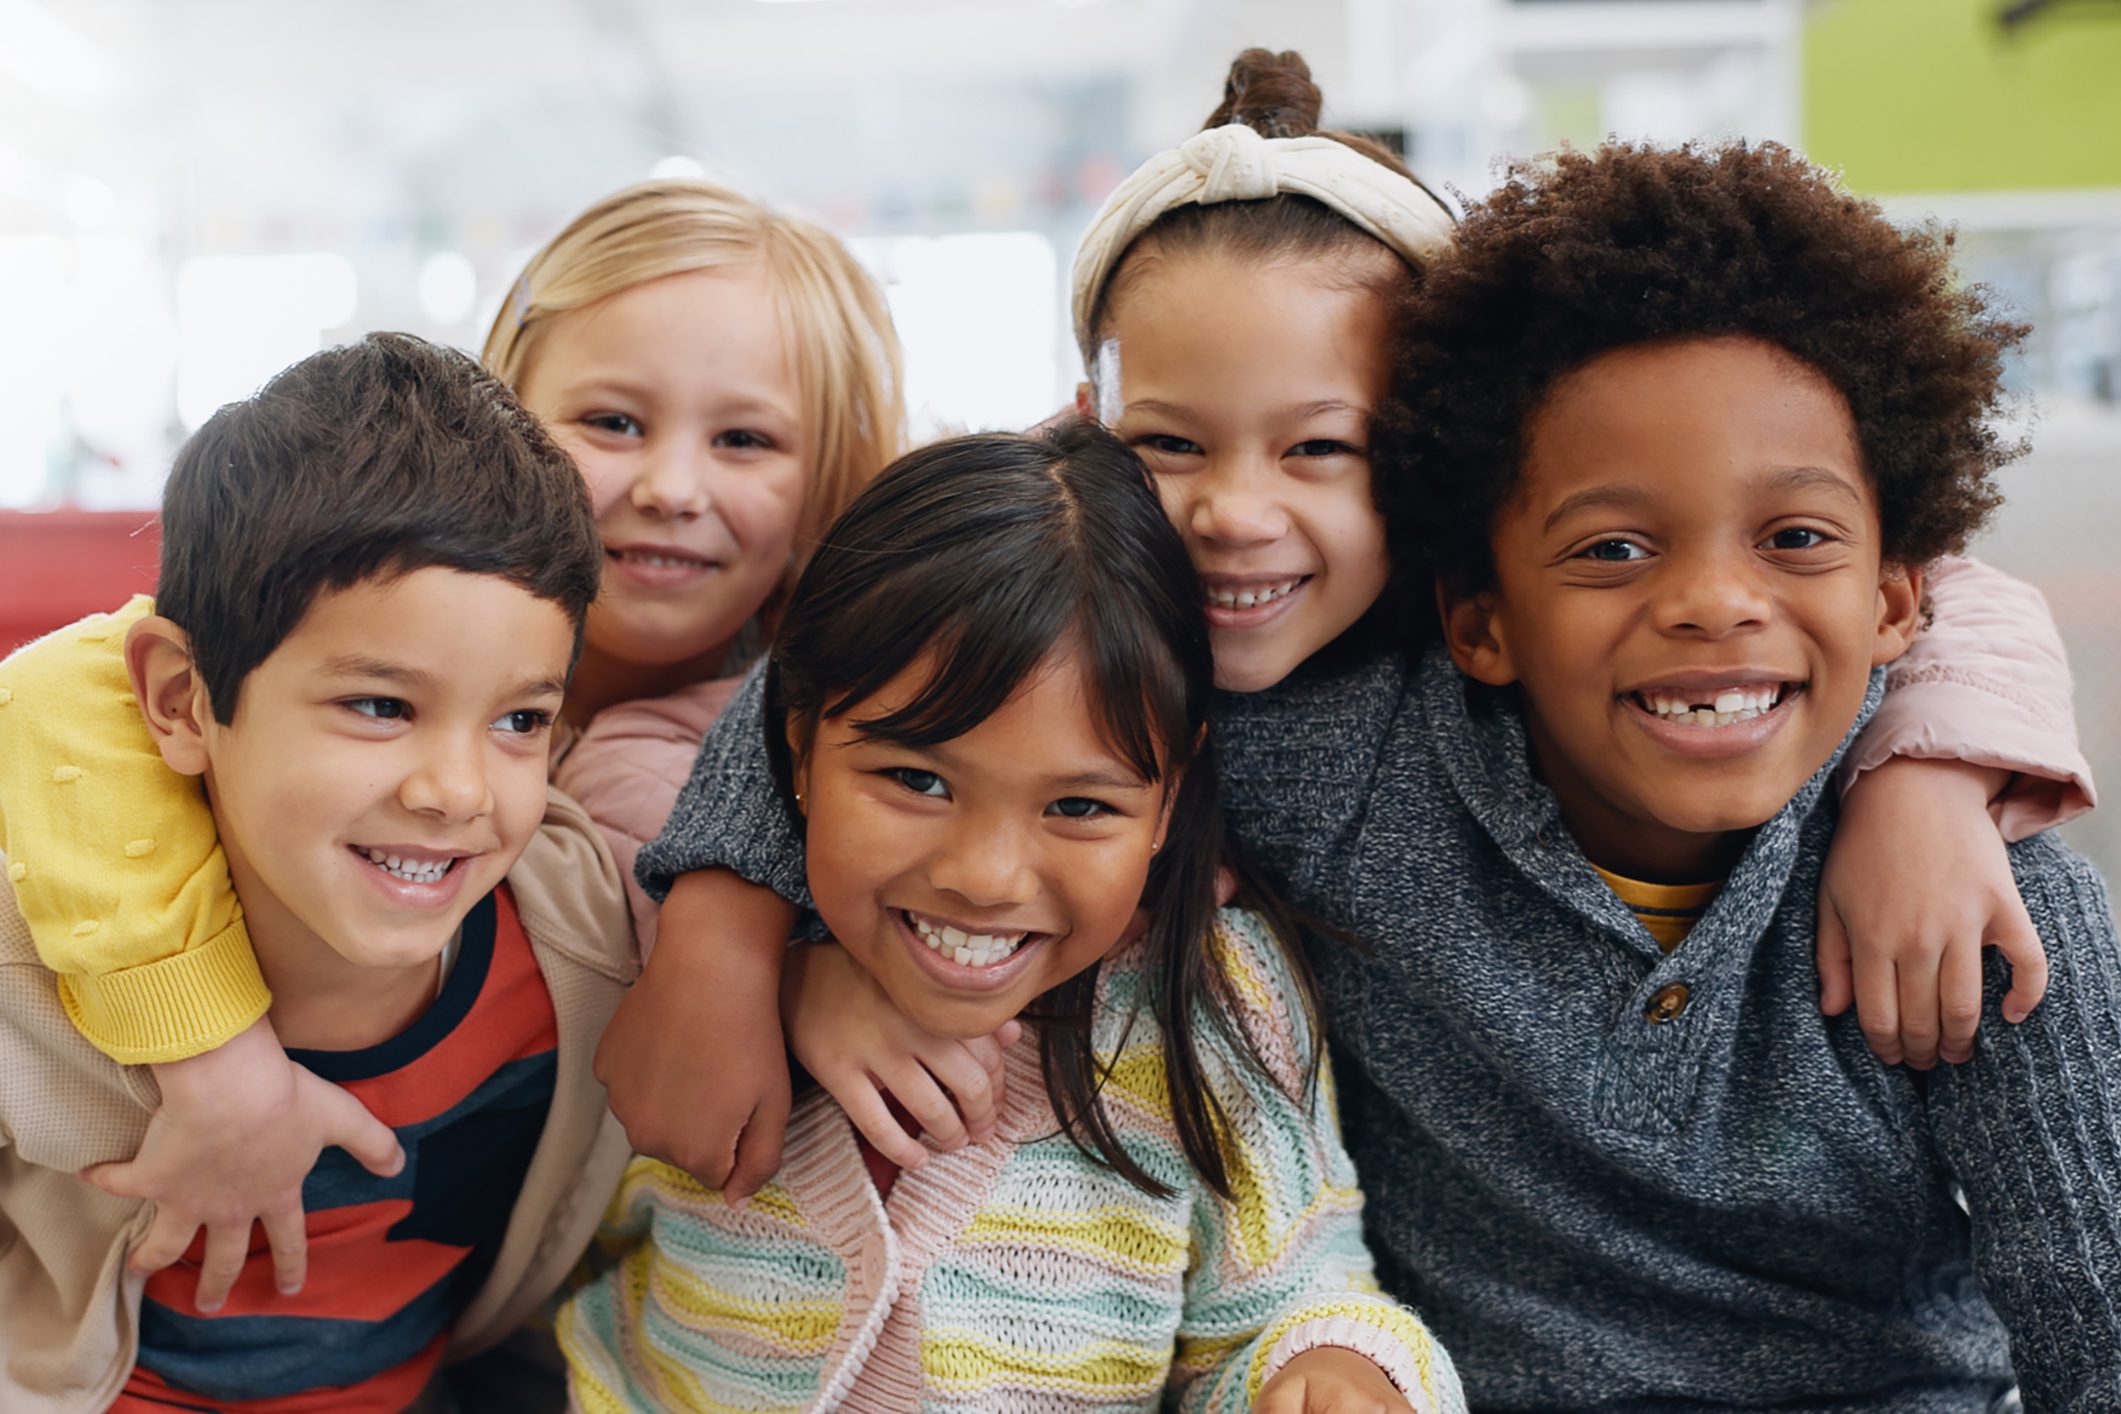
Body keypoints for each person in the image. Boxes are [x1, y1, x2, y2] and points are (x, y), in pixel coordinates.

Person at [603, 48, 2093, 1206]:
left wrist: (1928, 777)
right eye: (1168, 447)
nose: (1232, 515)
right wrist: (733, 940)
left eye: (1320, 449)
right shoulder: (1146, 656)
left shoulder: (1516, 663)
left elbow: (1932, 592)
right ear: (1083, 430)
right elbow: (861, 672)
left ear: (1436, 470)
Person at [0, 177, 908, 1313]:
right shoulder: (350, 605)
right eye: (615, 423)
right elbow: (60, 693)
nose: (673, 488)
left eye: (745, 439)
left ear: (826, 477)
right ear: (510, 420)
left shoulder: (800, 732)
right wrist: (211, 1053)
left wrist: (781, 970)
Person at [1310, 138, 2114, 1406]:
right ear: (1479, 621)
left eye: (1794, 537)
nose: (1714, 602)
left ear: (1901, 599)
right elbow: (1060, 646)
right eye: (1614, 547)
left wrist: (1928, 779)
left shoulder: (1993, 909)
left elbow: (2098, 1315)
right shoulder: (1350, 785)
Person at [557, 422, 1466, 1414]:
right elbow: (570, 1248)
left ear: (1167, 802)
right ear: (798, 744)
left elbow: (1292, 1299)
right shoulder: (697, 967)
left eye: (1080, 805)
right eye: (915, 778)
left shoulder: (1217, 1006)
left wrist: (1328, 1371)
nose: (985, 878)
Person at [0, 333, 636, 1410]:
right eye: (380, 706)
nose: (457, 790)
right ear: (179, 701)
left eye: (521, 719)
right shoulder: (28, 978)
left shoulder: (589, 938)